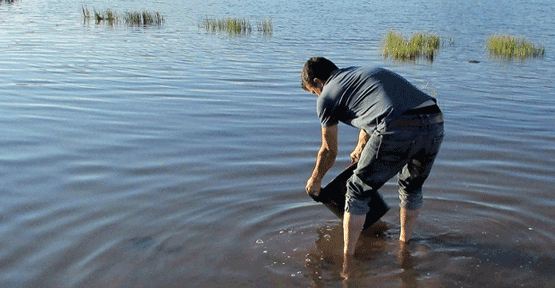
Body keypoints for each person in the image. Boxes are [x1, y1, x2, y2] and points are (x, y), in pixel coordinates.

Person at [301, 57, 444, 275]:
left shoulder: (327, 95)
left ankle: (347, 262)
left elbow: (329, 151)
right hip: (434, 119)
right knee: (411, 187)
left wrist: (316, 179)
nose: (317, 97)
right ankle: (404, 246)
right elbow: (376, 106)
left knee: (356, 189)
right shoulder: (360, 74)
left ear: (318, 82)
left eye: (314, 92)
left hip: (396, 124)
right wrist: (361, 144)